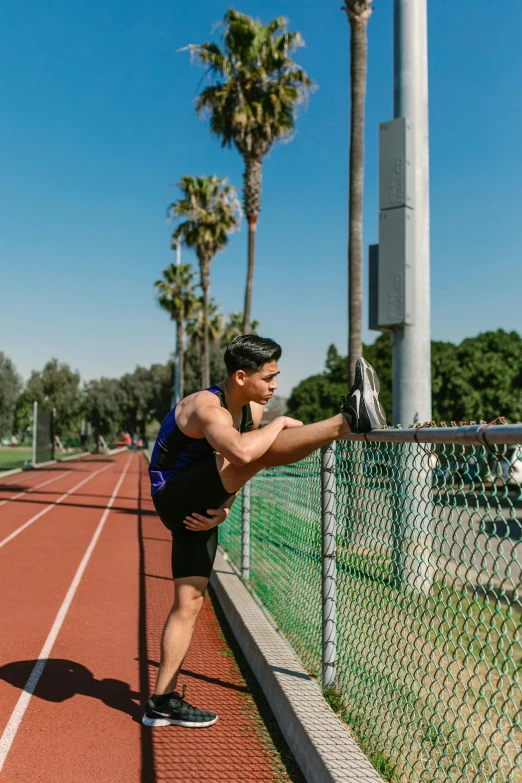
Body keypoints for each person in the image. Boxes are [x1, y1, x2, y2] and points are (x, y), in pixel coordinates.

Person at [143, 335, 386, 729]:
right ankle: (347, 419)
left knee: (189, 602)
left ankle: (160, 702)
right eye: (268, 377)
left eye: (277, 376)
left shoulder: (249, 410)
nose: (275, 385)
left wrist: (223, 510)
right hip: (172, 495)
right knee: (258, 447)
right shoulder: (208, 408)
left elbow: (238, 470)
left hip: (200, 507)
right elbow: (239, 455)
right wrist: (280, 425)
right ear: (241, 376)